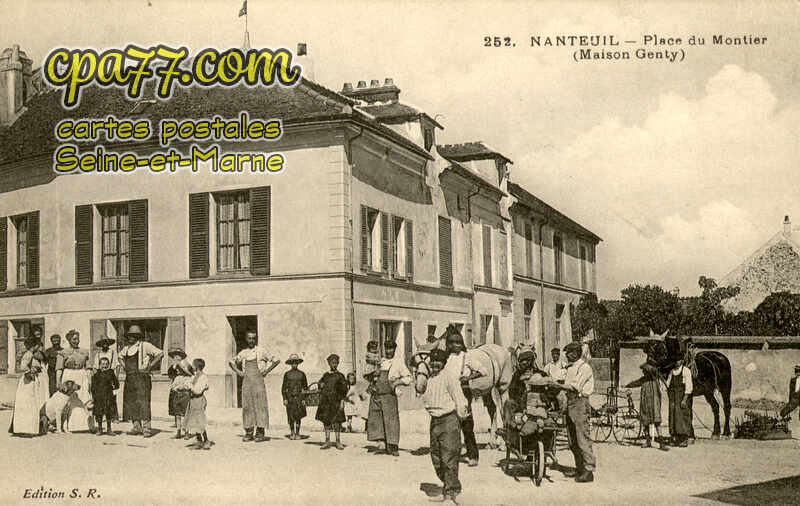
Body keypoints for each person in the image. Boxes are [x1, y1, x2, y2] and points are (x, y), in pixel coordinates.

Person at [422, 348, 469, 504]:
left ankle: (452, 492)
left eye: (438, 361)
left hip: (449, 420)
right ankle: (448, 486)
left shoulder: (450, 377)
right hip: (435, 421)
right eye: (433, 361)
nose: (435, 364)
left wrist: (461, 417)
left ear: (443, 363)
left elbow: (460, 398)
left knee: (449, 457)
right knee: (436, 457)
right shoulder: (429, 378)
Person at [549, 342, 595, 483]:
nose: (567, 355)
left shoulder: (584, 367)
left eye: (570, 352)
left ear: (577, 353)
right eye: (567, 353)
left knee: (582, 437)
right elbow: (556, 377)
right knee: (572, 438)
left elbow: (575, 386)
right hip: (570, 402)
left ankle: (589, 470)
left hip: (580, 402)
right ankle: (579, 467)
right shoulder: (569, 367)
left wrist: (558, 385)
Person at [229, 329, 280, 442]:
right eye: (249, 338)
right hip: (246, 382)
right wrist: (239, 373)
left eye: (253, 338)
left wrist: (266, 371)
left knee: (260, 405)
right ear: (246, 339)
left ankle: (260, 432)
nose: (251, 340)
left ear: (255, 339)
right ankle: (249, 432)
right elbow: (231, 362)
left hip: (258, 382)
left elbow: (276, 360)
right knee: (247, 406)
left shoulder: (261, 351)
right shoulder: (243, 353)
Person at [443, 331, 486, 467]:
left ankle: (472, 455)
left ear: (462, 344)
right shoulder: (446, 358)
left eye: (458, 342)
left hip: (463, 390)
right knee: (450, 423)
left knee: (466, 424)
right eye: (452, 342)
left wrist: (468, 377)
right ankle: (451, 454)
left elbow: (483, 371)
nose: (455, 345)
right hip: (449, 392)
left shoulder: (466, 357)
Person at [367, 340, 412, 456]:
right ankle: (382, 443)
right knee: (377, 418)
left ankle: (393, 446)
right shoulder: (380, 361)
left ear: (394, 349)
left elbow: (408, 378)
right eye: (386, 348)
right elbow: (370, 374)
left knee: (391, 420)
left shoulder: (398, 363)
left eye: (391, 348)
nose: (388, 351)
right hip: (377, 394)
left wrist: (397, 382)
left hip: (389, 395)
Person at [119, 325, 163, 437]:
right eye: (129, 336)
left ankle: (147, 428)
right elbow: (120, 357)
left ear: (138, 336)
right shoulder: (127, 348)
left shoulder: (145, 345)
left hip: (142, 378)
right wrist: (125, 366)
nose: (130, 338)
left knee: (143, 402)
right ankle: (136, 427)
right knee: (131, 402)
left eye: (133, 336)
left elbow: (160, 353)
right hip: (130, 378)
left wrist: (150, 367)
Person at [625, 357, 669, 451]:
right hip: (645, 402)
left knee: (657, 421)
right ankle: (648, 440)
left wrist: (650, 365)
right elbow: (635, 383)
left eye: (645, 371)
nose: (644, 372)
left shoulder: (655, 378)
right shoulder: (643, 379)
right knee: (645, 420)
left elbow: (654, 371)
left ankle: (661, 443)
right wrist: (627, 385)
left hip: (654, 402)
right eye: (644, 371)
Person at [57, 329, 93, 432]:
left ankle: (84, 425)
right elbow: (59, 369)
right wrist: (58, 382)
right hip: (69, 376)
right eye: (74, 339)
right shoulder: (63, 353)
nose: (76, 341)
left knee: (83, 398)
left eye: (77, 339)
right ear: (69, 340)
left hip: (81, 376)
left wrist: (89, 380)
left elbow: (88, 368)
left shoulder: (84, 351)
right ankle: (69, 426)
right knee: (69, 401)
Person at [9, 337, 46, 436]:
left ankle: (28, 428)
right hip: (27, 381)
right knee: (28, 403)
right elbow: (22, 367)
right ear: (34, 346)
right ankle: (25, 428)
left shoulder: (30, 354)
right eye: (37, 345)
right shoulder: (29, 354)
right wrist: (32, 370)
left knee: (31, 403)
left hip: (31, 380)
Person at [316, 353, 349, 450]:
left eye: (335, 363)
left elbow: (344, 389)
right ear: (329, 364)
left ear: (338, 364)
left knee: (337, 422)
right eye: (332, 363)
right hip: (325, 402)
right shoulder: (325, 375)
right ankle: (327, 441)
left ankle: (338, 441)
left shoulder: (340, 376)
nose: (334, 365)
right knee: (326, 421)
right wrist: (320, 385)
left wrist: (342, 401)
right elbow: (320, 383)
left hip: (336, 401)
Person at [184, 358, 212, 450]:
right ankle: (199, 440)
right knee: (193, 420)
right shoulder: (194, 376)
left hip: (199, 400)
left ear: (196, 366)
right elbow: (188, 384)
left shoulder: (203, 377)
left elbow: (198, 391)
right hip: (192, 400)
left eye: (193, 365)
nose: (192, 366)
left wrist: (190, 387)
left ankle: (206, 440)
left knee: (199, 420)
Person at [167, 348, 193, 439]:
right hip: (176, 392)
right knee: (177, 413)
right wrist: (174, 368)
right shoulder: (173, 367)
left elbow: (191, 374)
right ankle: (178, 431)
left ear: (181, 356)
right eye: (174, 356)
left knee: (186, 413)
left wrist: (181, 367)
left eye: (178, 355)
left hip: (185, 392)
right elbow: (170, 375)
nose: (176, 357)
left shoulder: (187, 365)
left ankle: (187, 432)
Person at [667, 357, 693, 447]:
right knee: (673, 416)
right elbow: (668, 384)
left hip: (682, 397)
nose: (676, 362)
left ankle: (684, 438)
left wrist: (684, 400)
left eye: (678, 360)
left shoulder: (686, 371)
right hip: (673, 397)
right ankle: (674, 436)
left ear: (682, 361)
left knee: (682, 416)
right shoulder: (672, 371)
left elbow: (689, 387)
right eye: (675, 360)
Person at [282, 353, 308, 440]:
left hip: (299, 398)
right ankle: (292, 432)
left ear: (298, 363)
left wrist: (304, 399)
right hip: (290, 398)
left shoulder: (302, 374)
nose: (294, 364)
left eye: (296, 363)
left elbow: (305, 388)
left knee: (298, 416)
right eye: (293, 363)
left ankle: (297, 433)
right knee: (291, 416)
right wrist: (285, 398)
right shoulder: (287, 374)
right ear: (290, 364)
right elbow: (283, 388)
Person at [91, 357, 119, 436]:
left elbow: (116, 383)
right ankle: (100, 429)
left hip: (108, 396)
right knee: (99, 413)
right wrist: (93, 396)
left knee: (108, 413)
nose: (104, 366)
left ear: (109, 365)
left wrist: (114, 389)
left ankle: (109, 429)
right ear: (99, 365)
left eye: (106, 364)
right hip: (99, 396)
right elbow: (93, 386)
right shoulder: (96, 375)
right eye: (103, 364)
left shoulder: (111, 373)